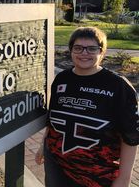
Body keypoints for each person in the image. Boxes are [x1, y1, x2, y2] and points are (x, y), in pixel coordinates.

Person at [35, 27, 139, 187]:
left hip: (95, 173)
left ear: (102, 52)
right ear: (71, 50)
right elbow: (53, 117)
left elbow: (131, 136)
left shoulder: (118, 86)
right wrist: (43, 144)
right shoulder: (62, 79)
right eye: (78, 48)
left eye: (92, 49)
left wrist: (124, 179)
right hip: (57, 164)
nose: (84, 53)